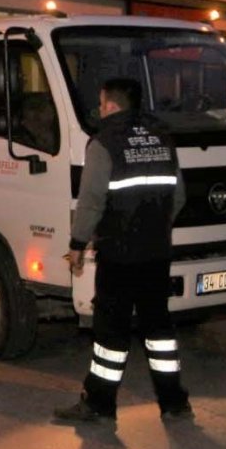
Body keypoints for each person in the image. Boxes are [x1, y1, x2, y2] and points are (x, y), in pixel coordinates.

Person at [54, 77, 193, 424]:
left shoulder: (104, 143)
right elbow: (179, 196)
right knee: (158, 328)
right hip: (156, 253)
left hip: (118, 254)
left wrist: (77, 244)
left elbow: (91, 201)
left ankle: (99, 404)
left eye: (101, 103)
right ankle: (174, 403)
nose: (99, 109)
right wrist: (156, 228)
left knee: (111, 332)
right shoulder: (162, 138)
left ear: (112, 105)